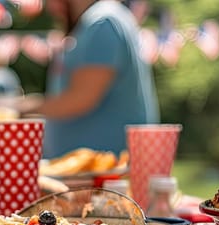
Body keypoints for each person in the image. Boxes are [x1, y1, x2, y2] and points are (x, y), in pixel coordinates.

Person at [24, 0, 159, 158]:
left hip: (107, 173)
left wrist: (20, 108)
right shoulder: (96, 21)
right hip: (89, 173)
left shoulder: (104, 23)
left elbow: (81, 99)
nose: (49, 6)